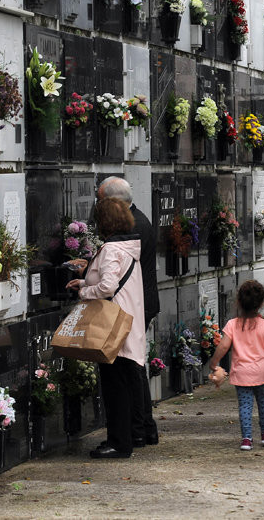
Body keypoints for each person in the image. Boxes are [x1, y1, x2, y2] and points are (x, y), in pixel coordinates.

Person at [66, 197, 145, 459]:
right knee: (123, 384)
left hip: (112, 328)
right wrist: (86, 279)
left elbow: (108, 287)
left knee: (115, 388)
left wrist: (84, 291)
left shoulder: (112, 249)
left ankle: (119, 443)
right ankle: (127, 437)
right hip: (127, 322)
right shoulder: (128, 246)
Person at [97, 176, 161, 446]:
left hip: (132, 305)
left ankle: (138, 428)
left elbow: (113, 277)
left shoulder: (134, 227)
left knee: (128, 370)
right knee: (134, 367)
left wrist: (88, 283)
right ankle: (143, 427)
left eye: (100, 201)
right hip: (139, 302)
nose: (97, 207)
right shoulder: (139, 220)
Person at [205, 280, 264, 451]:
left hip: (241, 373)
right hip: (261, 373)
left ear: (238, 302)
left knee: (245, 406)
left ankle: (247, 438)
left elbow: (223, 346)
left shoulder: (232, 325)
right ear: (261, 304)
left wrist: (214, 363)